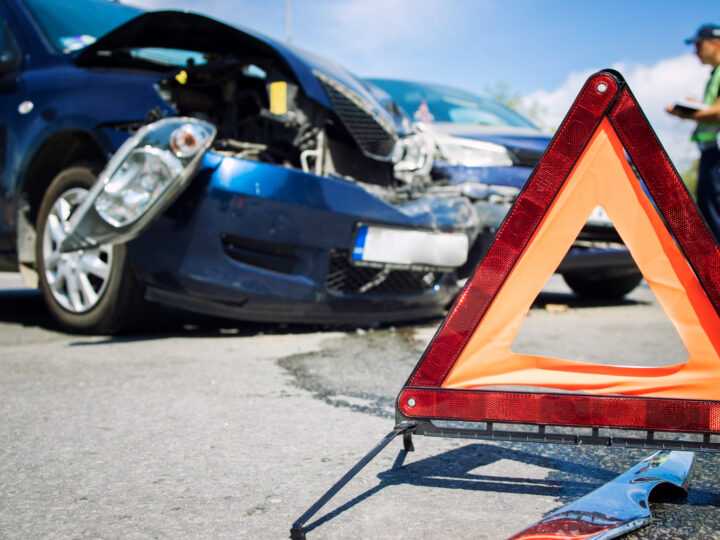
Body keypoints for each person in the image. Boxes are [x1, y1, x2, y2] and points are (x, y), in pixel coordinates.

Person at [666, 24, 720, 242]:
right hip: (711, 152)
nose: (695, 51)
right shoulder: (715, 74)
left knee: (714, 209)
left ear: (716, 43)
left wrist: (687, 114)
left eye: (699, 45)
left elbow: (717, 112)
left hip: (717, 154)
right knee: (710, 209)